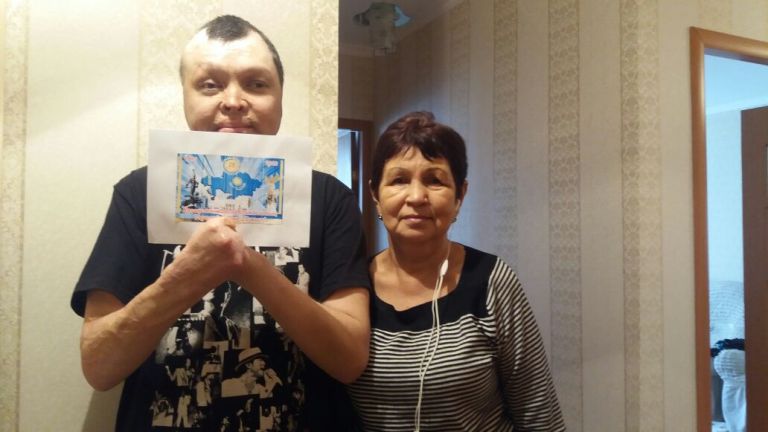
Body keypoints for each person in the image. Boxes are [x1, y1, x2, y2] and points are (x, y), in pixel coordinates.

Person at [71, 15, 370, 431]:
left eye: (256, 84)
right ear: (186, 96)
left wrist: (249, 267)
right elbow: (99, 366)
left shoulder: (330, 198)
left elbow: (350, 360)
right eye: (210, 85)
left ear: (280, 98)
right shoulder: (139, 193)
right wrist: (187, 275)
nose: (233, 101)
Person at [346, 112, 566, 431]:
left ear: (460, 195)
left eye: (435, 180)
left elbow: (538, 412)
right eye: (399, 180)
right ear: (375, 194)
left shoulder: (492, 280)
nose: (416, 197)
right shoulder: (352, 287)